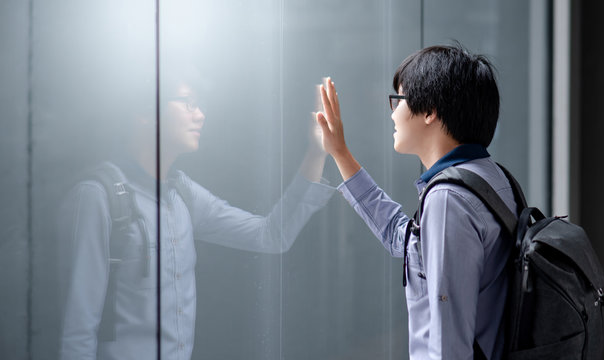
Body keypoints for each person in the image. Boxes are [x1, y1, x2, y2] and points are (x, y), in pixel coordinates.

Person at [57, 77, 334, 360]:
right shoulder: (97, 197)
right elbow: (78, 331)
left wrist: (317, 152)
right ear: (145, 113)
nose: (200, 115)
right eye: (188, 103)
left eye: (199, 105)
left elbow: (271, 235)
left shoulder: (182, 193)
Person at [316, 45, 517, 359]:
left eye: (398, 99)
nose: (393, 113)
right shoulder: (491, 177)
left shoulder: (448, 198)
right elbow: (405, 238)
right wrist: (340, 153)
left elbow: (447, 343)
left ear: (430, 111)